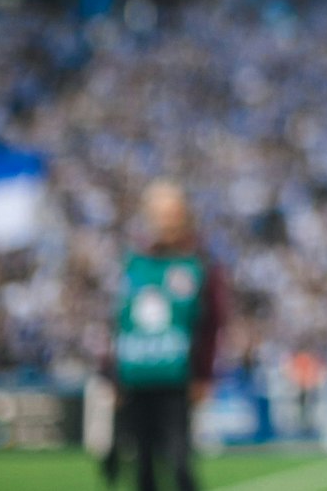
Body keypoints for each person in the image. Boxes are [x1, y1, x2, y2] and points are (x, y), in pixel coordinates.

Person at [107, 181, 226, 491]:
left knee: (179, 461)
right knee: (142, 465)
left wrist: (203, 375)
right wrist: (113, 376)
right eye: (159, 214)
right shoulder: (132, 263)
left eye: (172, 213)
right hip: (136, 379)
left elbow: (212, 323)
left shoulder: (198, 263)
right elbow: (118, 321)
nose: (166, 221)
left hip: (176, 380)